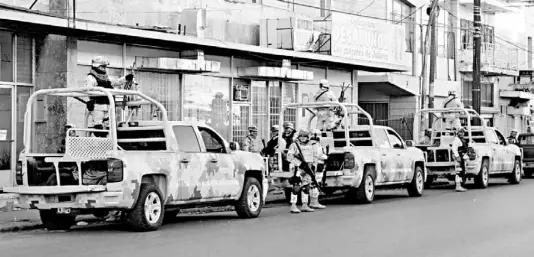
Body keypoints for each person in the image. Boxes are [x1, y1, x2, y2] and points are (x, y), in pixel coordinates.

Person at [85, 56, 134, 129]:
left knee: (109, 127)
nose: (105, 69)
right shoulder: (91, 77)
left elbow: (115, 82)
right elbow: (89, 91)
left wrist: (126, 78)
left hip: (108, 105)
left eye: (105, 67)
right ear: (97, 66)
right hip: (97, 106)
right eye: (103, 66)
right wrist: (90, 101)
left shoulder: (106, 77)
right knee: (98, 127)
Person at [286, 129, 328, 213]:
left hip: (309, 168)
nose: (302, 138)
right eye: (301, 136)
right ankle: (293, 205)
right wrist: (299, 164)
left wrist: (313, 166)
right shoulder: (294, 145)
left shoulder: (312, 145)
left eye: (304, 136)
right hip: (298, 168)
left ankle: (304, 205)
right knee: (296, 186)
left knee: (306, 186)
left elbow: (316, 156)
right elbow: (289, 157)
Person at [451, 127, 468, 192]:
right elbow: (454, 149)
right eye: (460, 132)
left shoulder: (461, 140)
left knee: (461, 171)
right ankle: (458, 186)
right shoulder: (456, 140)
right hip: (459, 158)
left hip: (462, 158)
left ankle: (460, 185)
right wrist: (457, 156)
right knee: (458, 172)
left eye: (463, 132)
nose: (462, 133)